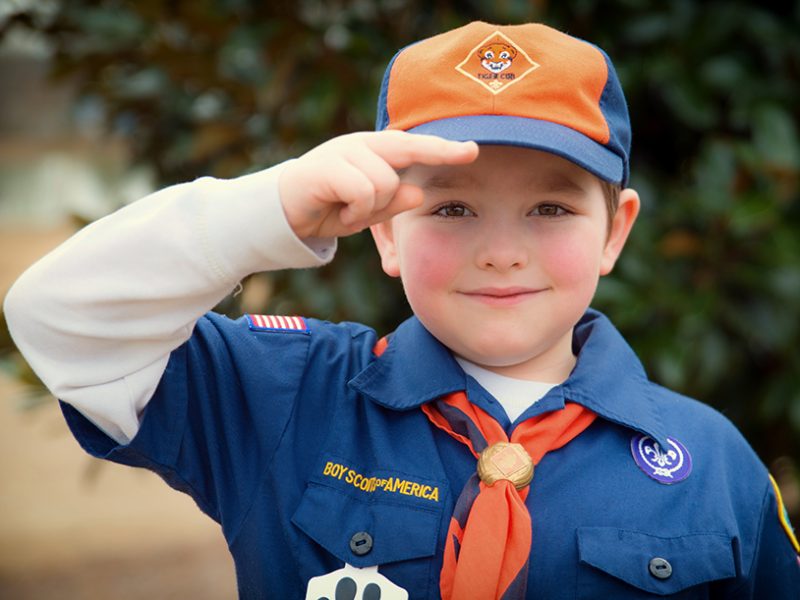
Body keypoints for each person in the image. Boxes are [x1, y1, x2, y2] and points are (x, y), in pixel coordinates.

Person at [4, 20, 799, 600]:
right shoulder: (287, 397)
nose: (501, 251)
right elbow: (57, 319)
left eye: (551, 210)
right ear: (384, 233)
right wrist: (270, 206)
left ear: (615, 232)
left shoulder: (713, 462)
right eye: (451, 210)